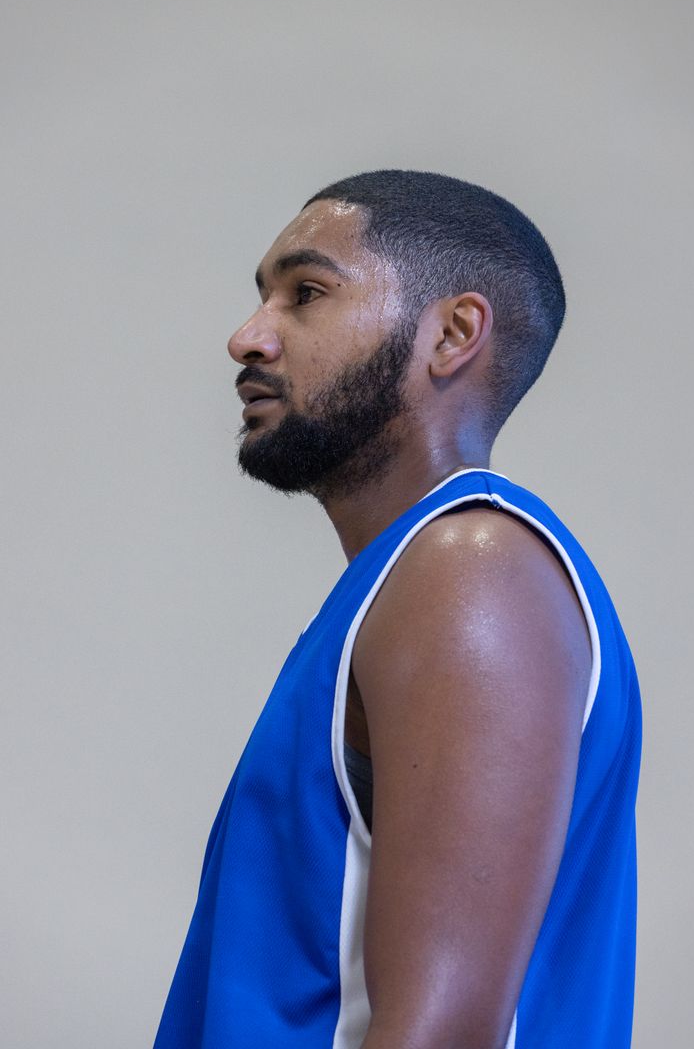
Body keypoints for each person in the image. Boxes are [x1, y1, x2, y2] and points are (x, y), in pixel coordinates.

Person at [153, 170, 641, 1048]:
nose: (247, 337)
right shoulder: (401, 584)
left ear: (452, 333)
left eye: (305, 294)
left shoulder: (470, 570)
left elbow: (443, 1034)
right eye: (260, 297)